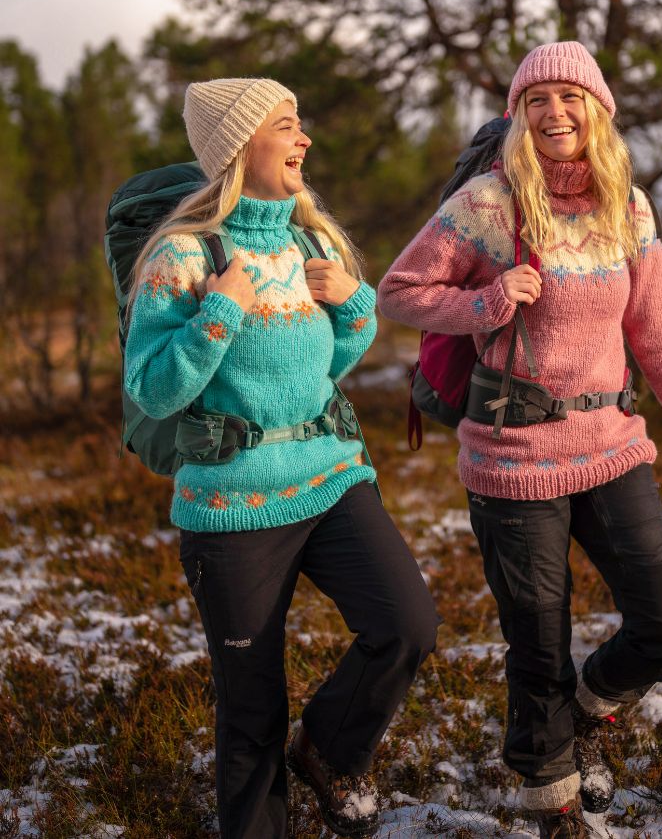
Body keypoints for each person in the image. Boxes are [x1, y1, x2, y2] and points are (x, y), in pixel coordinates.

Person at [377, 42, 662, 837]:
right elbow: (398, 291)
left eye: (570, 97)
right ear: (518, 115)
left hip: (611, 446)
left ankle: (584, 713)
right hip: (511, 456)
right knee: (537, 645)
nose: (555, 113)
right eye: (537, 100)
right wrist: (486, 302)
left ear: (597, 111)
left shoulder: (627, 209)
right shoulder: (489, 206)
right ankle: (554, 803)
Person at [124, 77, 440, 839]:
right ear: (240, 147)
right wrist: (220, 311)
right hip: (233, 507)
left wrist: (355, 303)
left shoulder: (314, 239)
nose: (304, 140)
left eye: (301, 125)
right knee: (251, 711)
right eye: (288, 125)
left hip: (332, 478)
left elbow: (324, 365)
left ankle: (328, 752)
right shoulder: (183, 255)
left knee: (407, 624)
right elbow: (152, 389)